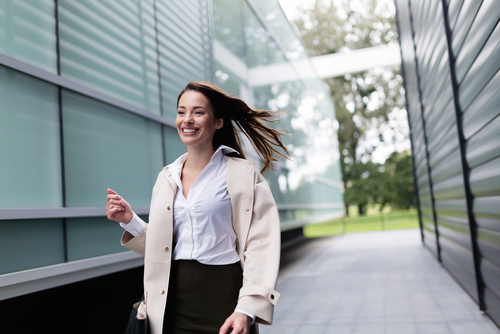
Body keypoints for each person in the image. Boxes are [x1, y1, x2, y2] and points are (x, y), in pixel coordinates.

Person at [105, 82, 289, 334]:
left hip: (224, 301)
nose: (187, 119)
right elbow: (165, 247)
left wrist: (247, 309)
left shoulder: (243, 175)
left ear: (218, 122)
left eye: (198, 112)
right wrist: (129, 220)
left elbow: (261, 244)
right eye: (181, 112)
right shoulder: (166, 177)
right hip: (170, 302)